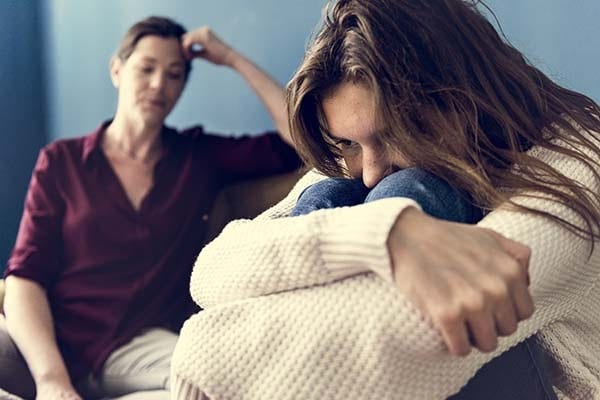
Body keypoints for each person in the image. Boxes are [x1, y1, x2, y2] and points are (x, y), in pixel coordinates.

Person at [170, 0, 600, 399]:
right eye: (348, 143)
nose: (372, 171)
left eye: (395, 134)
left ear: (464, 100)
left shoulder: (577, 163)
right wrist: (385, 234)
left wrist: (199, 347)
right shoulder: (353, 164)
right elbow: (212, 269)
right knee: (333, 192)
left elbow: (388, 338)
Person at [0, 16, 301, 400]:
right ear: (117, 70)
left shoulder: (200, 157)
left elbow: (298, 139)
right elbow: (25, 278)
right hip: (45, 344)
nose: (159, 84)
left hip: (139, 349)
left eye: (175, 75)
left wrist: (230, 57)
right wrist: (51, 380)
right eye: (146, 69)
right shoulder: (62, 162)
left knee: (213, 383)